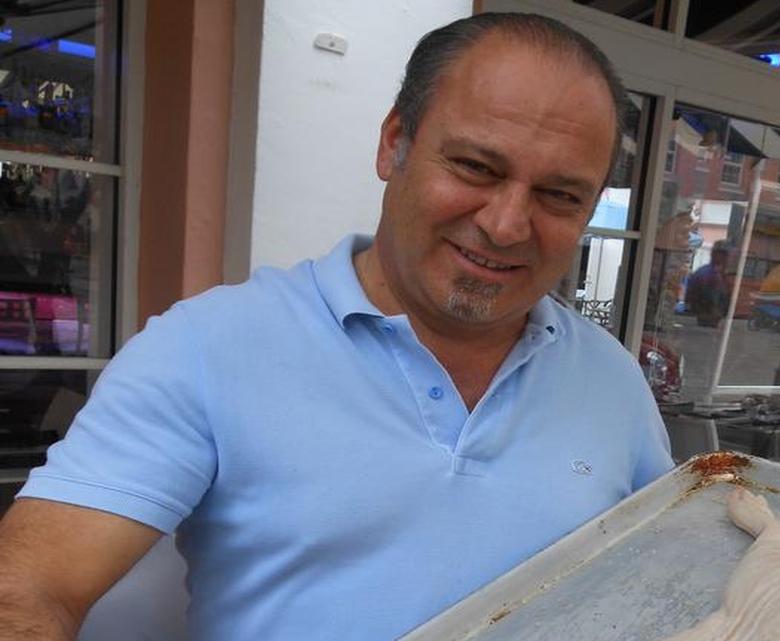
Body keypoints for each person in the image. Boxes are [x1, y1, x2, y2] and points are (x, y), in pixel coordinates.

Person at [0, 14, 673, 641]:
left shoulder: (611, 378)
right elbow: (29, 586)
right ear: (394, 144)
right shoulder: (208, 347)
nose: (505, 224)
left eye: (560, 195)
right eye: (475, 166)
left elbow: (676, 575)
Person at [684, 240, 731, 328]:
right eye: (720, 254)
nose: (724, 258)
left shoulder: (725, 276)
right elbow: (691, 299)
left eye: (725, 255)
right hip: (701, 320)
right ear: (713, 254)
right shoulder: (704, 273)